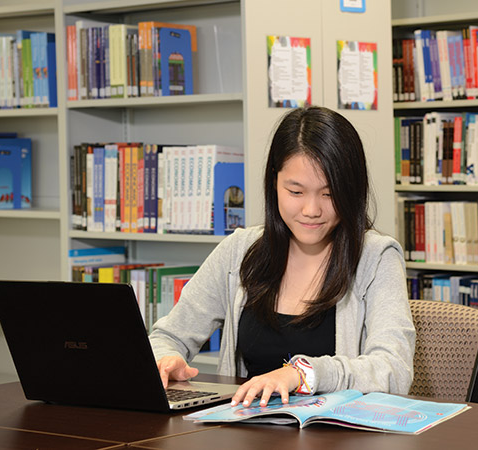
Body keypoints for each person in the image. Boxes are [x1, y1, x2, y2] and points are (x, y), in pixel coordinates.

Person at [149, 106, 415, 408]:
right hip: (243, 435)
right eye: (296, 192)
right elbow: (168, 336)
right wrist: (165, 359)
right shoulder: (239, 250)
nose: (311, 210)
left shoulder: (376, 257)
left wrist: (303, 374)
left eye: (328, 194)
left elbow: (394, 370)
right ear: (274, 183)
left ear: (351, 191)